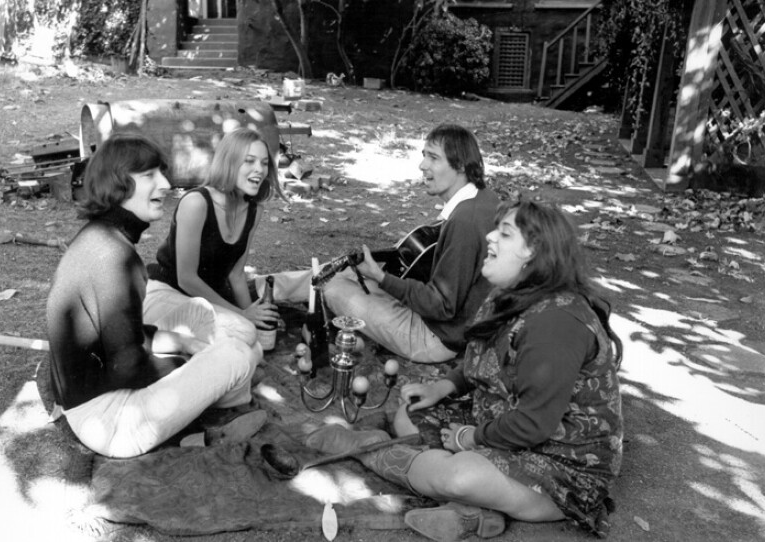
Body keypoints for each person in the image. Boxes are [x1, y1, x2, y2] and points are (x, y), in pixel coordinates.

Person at [301, 200, 624, 539]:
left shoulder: (556, 323)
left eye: (504, 233)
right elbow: (482, 359)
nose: (489, 237)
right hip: (501, 420)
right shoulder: (510, 293)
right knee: (408, 415)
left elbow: (532, 425)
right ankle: (477, 511)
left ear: (534, 251)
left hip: (562, 464)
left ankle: (370, 451)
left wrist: (469, 437)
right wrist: (444, 387)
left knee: (459, 477)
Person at [46, 133, 265, 459]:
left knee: (215, 326)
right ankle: (223, 413)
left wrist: (185, 343)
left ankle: (218, 393)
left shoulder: (102, 238)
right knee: (237, 354)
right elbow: (128, 367)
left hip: (98, 391)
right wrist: (189, 359)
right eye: (149, 175)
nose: (165, 184)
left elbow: (125, 341)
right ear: (118, 184)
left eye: (162, 173)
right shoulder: (114, 258)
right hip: (111, 420)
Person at [265, 123, 500, 363]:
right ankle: (264, 288)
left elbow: (441, 306)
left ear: (460, 165)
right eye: (423, 156)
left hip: (433, 338)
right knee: (341, 271)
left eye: (433, 158)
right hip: (445, 319)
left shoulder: (465, 222)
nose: (422, 165)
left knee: (332, 285)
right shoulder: (482, 198)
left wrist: (383, 279)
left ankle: (261, 291)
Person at [144, 127, 282, 351]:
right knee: (243, 333)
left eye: (265, 163)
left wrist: (255, 316)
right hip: (167, 293)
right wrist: (242, 315)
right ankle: (159, 342)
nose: (259, 169)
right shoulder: (196, 203)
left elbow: (236, 274)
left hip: (208, 301)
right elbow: (186, 278)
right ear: (229, 162)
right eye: (249, 161)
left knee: (252, 340)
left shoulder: (254, 211)